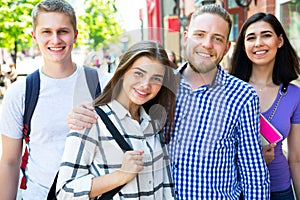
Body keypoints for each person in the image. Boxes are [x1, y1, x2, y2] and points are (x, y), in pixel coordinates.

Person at [67, 5, 270, 199]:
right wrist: (82, 113)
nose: (207, 44)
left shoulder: (243, 96)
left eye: (217, 39)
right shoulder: (158, 85)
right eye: (199, 35)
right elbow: (117, 107)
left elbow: (253, 171)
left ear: (226, 47)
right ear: (185, 38)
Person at [0, 0, 100, 199]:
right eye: (46, 32)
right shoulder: (21, 92)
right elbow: (10, 161)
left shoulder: (102, 85)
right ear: (34, 36)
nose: (55, 40)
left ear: (75, 35)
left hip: (92, 195)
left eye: (63, 31)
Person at [56, 40, 178, 199]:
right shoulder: (91, 120)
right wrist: (121, 175)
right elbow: (65, 192)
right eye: (139, 73)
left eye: (156, 78)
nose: (145, 85)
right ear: (122, 72)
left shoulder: (154, 124)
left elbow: (165, 189)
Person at [230, 12, 300, 200]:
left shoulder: (294, 95)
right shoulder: (229, 90)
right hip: (237, 190)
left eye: (266, 35)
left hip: (280, 190)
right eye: (251, 37)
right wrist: (254, 159)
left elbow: (296, 158)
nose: (258, 43)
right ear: (244, 46)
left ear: (280, 41)